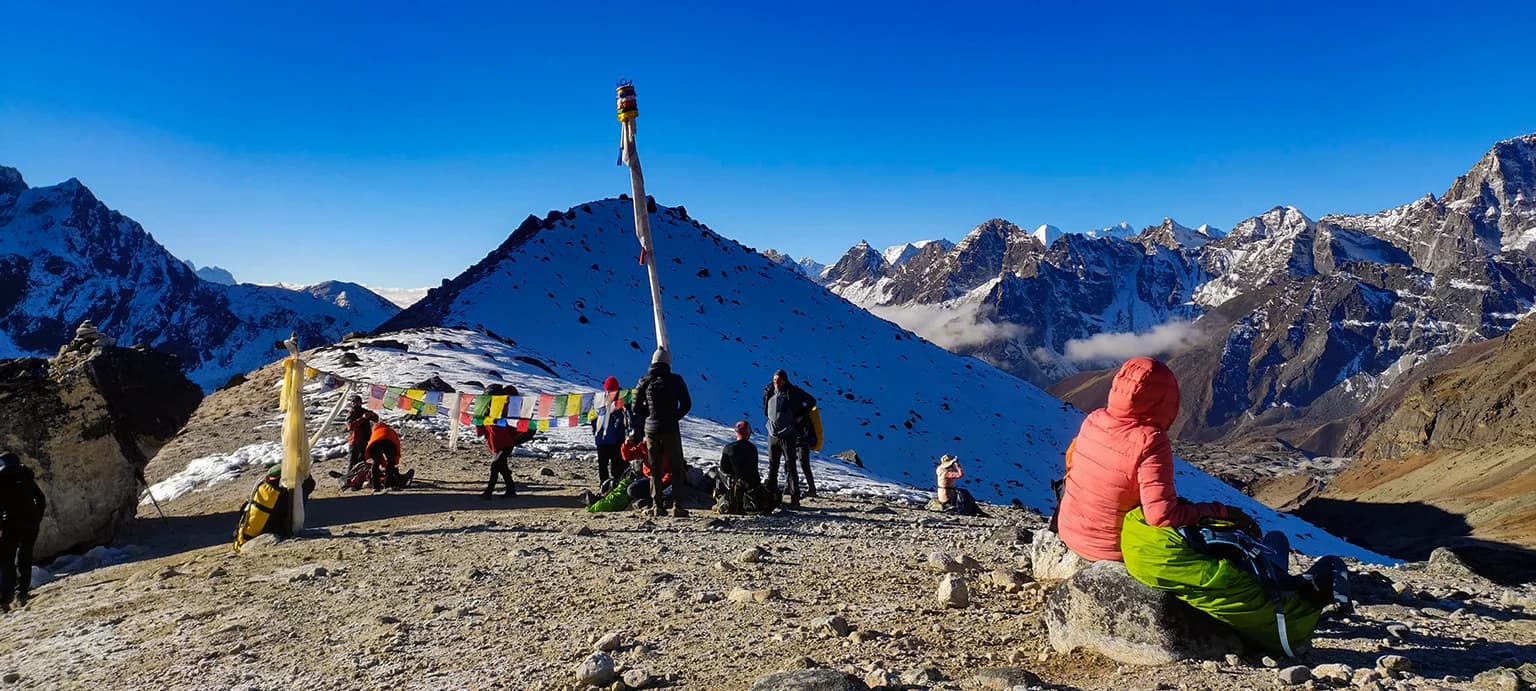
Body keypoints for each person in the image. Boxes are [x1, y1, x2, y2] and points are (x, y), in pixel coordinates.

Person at [1055, 356, 1341, 655]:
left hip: (1073, 532)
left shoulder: (1095, 419)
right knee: (1234, 550)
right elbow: (1161, 515)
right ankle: (1276, 587)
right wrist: (1218, 511)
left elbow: (1077, 467)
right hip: (1115, 547)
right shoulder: (1150, 441)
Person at [629, 348, 691, 517]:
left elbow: (635, 407)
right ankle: (678, 506)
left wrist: (649, 416)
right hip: (670, 428)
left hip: (651, 430)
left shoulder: (644, 380)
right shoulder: (676, 380)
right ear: (668, 362)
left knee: (654, 468)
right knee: (676, 467)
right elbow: (686, 404)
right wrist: (674, 417)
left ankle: (657, 505)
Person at [762, 369, 815, 508]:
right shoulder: (769, 390)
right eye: (774, 380)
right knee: (772, 466)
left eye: (778, 380)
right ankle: (770, 497)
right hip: (773, 434)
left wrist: (800, 416)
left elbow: (811, 401)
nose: (776, 383)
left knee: (790, 466)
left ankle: (794, 498)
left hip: (788, 434)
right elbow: (765, 410)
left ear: (784, 380)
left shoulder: (793, 391)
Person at [0, 452, 46, 612]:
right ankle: (22, 593)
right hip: (30, 522)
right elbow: (41, 498)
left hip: (10, 524)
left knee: (6, 559)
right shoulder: (26, 476)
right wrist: (37, 517)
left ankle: (6, 597)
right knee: (25, 556)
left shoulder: (2, 479)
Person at [715, 421, 771, 514]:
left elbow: (724, 469)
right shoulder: (753, 448)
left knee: (716, 473)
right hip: (752, 486)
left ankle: (722, 500)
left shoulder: (729, 447)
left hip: (737, 484)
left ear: (736, 432)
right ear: (748, 434)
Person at [590, 376, 631, 491]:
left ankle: (604, 486)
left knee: (603, 465)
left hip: (601, 440)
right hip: (615, 440)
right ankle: (615, 485)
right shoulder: (620, 402)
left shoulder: (598, 401)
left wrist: (596, 432)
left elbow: (593, 419)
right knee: (616, 464)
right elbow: (621, 421)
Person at [476, 423, 533, 499]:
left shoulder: (500, 418)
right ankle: (511, 490)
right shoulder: (486, 419)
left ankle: (488, 492)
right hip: (497, 446)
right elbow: (480, 432)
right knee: (503, 469)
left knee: (495, 466)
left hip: (506, 445)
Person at [366, 421, 414, 491]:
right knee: (390, 463)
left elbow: (370, 446)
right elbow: (397, 444)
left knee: (375, 464)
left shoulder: (374, 432)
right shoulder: (390, 430)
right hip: (389, 443)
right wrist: (395, 462)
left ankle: (375, 486)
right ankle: (388, 485)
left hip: (375, 444)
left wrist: (371, 458)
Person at [344, 394, 379, 469]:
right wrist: (362, 418)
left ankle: (360, 478)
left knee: (363, 461)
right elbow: (350, 426)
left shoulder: (364, 411)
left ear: (360, 402)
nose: (355, 403)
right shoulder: (351, 413)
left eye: (357, 402)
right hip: (355, 441)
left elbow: (376, 419)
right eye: (353, 402)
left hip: (365, 440)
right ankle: (349, 478)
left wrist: (372, 414)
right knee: (352, 461)